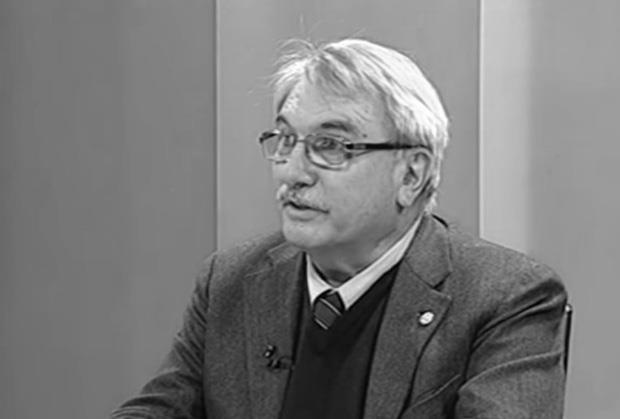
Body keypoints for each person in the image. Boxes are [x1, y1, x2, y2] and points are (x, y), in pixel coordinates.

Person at [111, 38, 568, 419]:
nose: (293, 172)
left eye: (331, 146)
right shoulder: (232, 281)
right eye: (285, 140)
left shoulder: (505, 297)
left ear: (411, 174)